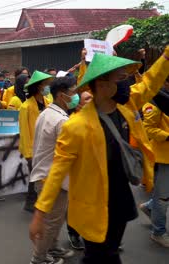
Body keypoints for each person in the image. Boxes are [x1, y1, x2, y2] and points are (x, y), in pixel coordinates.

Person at [30, 48, 169, 263]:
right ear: (102, 84)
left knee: (110, 252)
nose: (127, 84)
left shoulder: (126, 105)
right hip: (92, 205)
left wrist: (166, 57)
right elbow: (57, 170)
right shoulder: (76, 126)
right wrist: (40, 213)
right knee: (98, 256)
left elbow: (149, 83)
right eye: (121, 79)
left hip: (120, 198)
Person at [28, 77, 78, 264]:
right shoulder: (61, 120)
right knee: (51, 222)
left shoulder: (47, 113)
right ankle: (39, 257)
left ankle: (53, 247)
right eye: (73, 92)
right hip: (52, 178)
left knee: (54, 219)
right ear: (61, 95)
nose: (76, 96)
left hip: (44, 173)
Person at [19, 71, 54, 212]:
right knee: (36, 176)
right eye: (46, 85)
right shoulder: (25, 107)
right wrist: (28, 153)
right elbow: (24, 132)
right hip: (33, 148)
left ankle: (36, 201)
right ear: (39, 87)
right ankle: (31, 202)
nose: (48, 87)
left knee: (42, 176)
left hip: (47, 146)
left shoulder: (49, 104)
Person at [142, 76, 169, 247]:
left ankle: (150, 206)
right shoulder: (155, 102)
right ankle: (158, 232)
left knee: (163, 194)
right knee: (163, 197)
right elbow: (148, 129)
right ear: (165, 83)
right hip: (163, 157)